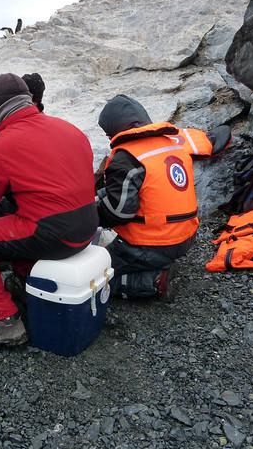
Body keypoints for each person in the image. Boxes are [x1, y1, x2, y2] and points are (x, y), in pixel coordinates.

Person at [0, 73, 98, 350]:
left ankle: (5, 321)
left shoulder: (2, 145)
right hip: (87, 227)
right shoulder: (69, 128)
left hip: (55, 234)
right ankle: (26, 284)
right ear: (28, 101)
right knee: (17, 217)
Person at [96, 94, 229, 301]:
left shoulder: (126, 158)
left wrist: (90, 218)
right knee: (108, 196)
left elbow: (118, 212)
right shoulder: (174, 142)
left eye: (108, 133)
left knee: (94, 274)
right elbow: (219, 136)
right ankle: (158, 262)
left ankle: (153, 281)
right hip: (187, 235)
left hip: (153, 243)